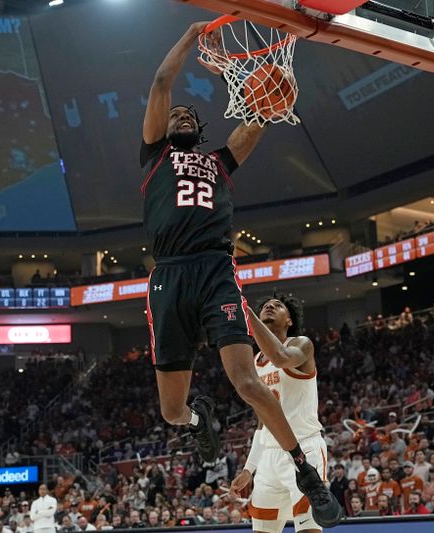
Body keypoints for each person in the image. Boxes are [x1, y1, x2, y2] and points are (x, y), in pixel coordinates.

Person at [140, 22, 339, 527]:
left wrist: (268, 99)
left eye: (190, 114)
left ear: (201, 129)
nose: (181, 114)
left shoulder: (219, 162)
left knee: (248, 381)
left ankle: (308, 476)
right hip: (167, 277)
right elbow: (163, 82)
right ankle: (196, 418)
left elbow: (252, 126)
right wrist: (188, 36)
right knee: (170, 412)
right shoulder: (156, 157)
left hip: (214, 268)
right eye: (176, 115)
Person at [230, 294, 341, 532]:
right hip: (269, 458)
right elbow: (262, 422)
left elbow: (280, 358)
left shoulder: (302, 344)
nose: (270, 306)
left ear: (289, 320)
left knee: (308, 528)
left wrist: (246, 311)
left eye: (278, 306)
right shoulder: (255, 362)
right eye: (265, 306)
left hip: (305, 450)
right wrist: (250, 468)